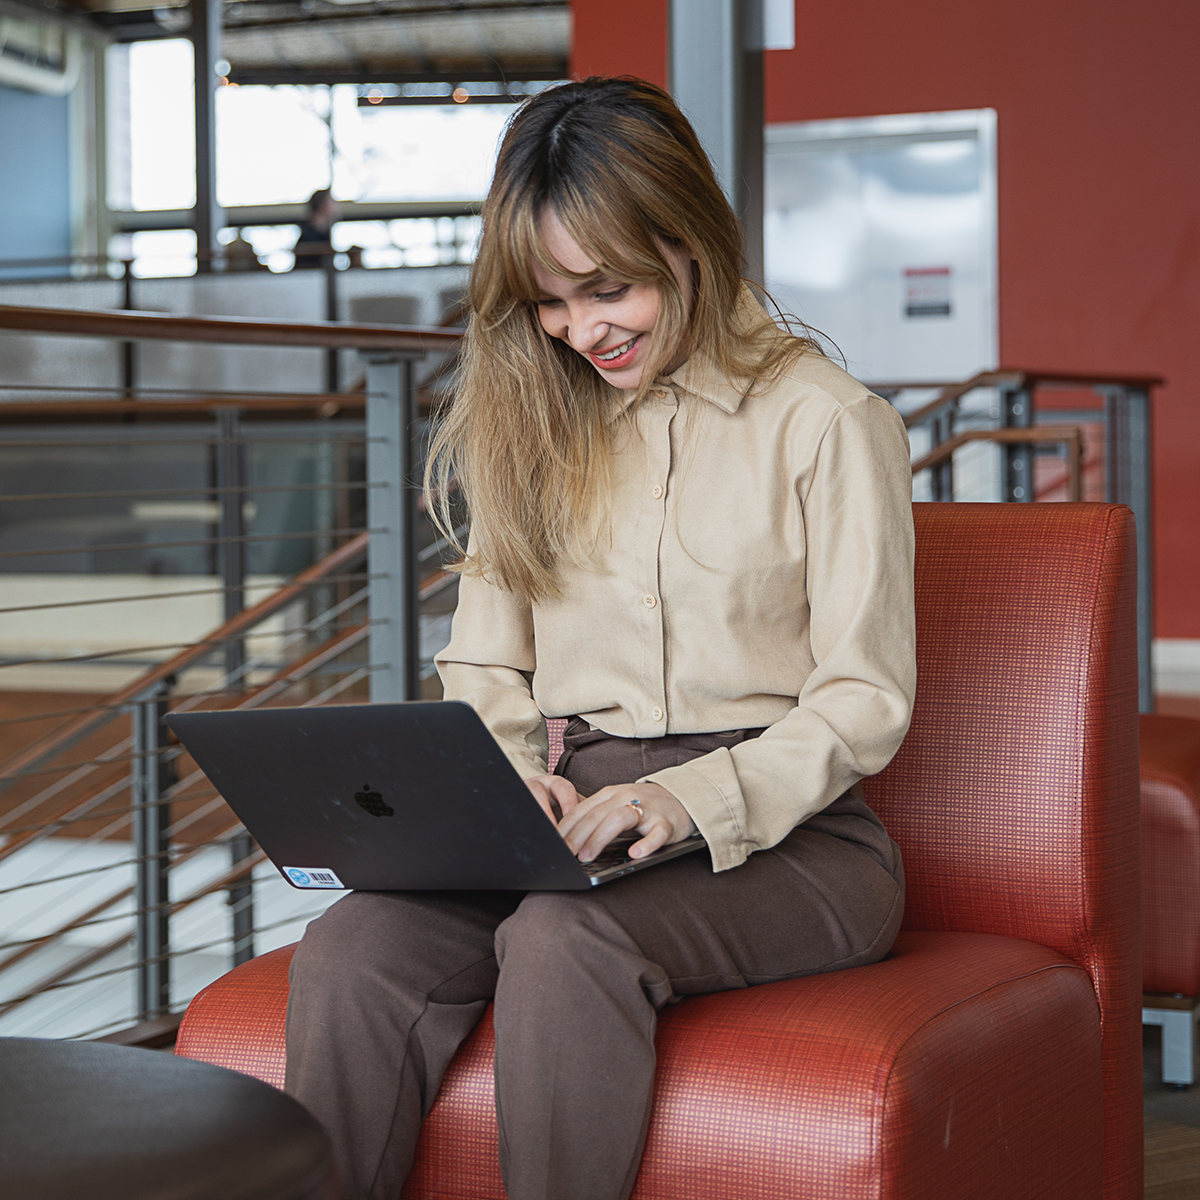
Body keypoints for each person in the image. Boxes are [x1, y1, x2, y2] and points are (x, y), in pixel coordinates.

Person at [284, 76, 916, 1200]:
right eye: (549, 303)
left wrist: (689, 800)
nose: (581, 331)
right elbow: (485, 666)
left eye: (605, 289)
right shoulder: (531, 424)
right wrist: (511, 779)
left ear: (688, 239)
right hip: (566, 822)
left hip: (790, 835)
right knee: (351, 949)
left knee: (570, 945)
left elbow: (863, 698)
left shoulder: (828, 421)